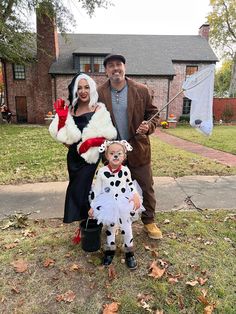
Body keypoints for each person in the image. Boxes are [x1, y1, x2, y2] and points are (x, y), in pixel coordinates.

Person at [97, 54, 163, 240]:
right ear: (106, 71)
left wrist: (148, 126)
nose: (115, 68)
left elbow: (153, 113)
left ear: (124, 67)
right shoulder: (100, 93)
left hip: (138, 149)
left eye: (119, 65)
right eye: (111, 66)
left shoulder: (141, 90)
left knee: (146, 186)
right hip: (112, 152)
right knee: (112, 189)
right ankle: (115, 220)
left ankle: (149, 220)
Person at [49, 73, 117, 230]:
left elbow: (109, 135)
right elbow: (62, 136)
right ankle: (86, 222)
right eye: (79, 88)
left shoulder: (99, 109)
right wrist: (61, 119)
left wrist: (90, 143)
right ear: (74, 90)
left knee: (82, 187)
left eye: (86, 87)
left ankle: (89, 220)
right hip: (73, 157)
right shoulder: (71, 109)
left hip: (90, 157)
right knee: (76, 187)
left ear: (91, 89)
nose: (83, 91)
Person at [89, 140, 144, 270]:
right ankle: (110, 251)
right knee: (111, 227)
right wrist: (93, 205)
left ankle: (129, 252)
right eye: (112, 153)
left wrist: (135, 195)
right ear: (107, 156)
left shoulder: (125, 171)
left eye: (119, 153)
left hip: (124, 203)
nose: (115, 156)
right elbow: (96, 190)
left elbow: (130, 185)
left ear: (124, 156)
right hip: (108, 204)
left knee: (127, 227)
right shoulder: (102, 172)